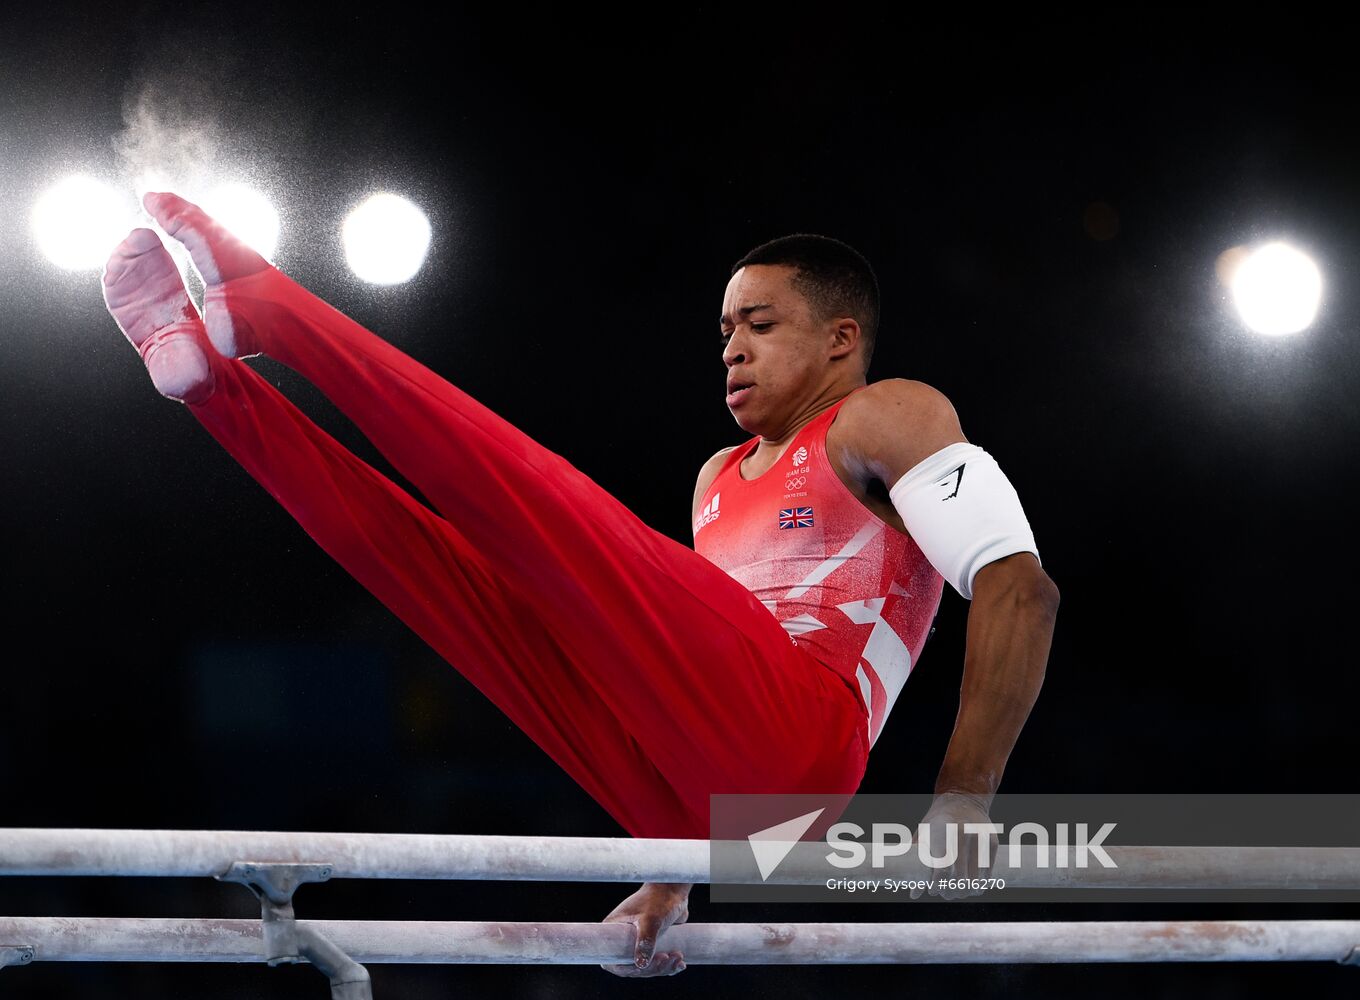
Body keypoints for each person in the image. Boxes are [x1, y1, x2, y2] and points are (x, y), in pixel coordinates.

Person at [102, 197, 1059, 978]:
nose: (731, 348)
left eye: (761, 326)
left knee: (532, 506)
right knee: (447, 578)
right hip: (700, 802)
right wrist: (676, 869)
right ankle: (212, 385)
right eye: (725, 329)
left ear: (844, 338)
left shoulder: (889, 415)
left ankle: (269, 309)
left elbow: (1022, 588)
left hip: (805, 750)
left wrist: (964, 797)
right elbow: (682, 673)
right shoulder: (718, 478)